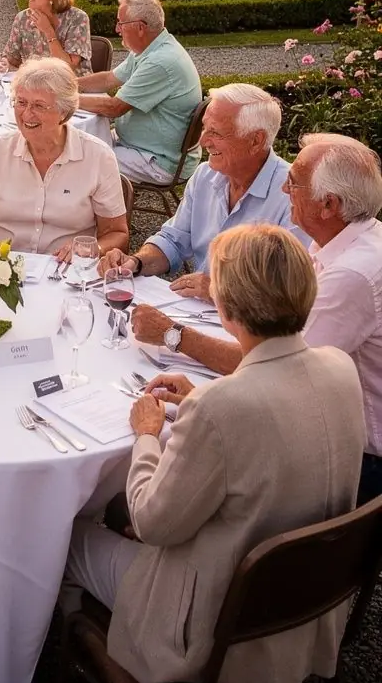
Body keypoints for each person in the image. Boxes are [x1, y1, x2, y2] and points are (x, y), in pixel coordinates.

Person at [63, 224, 364, 683]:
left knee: (63, 534)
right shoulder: (339, 368)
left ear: (226, 306)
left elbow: (153, 521)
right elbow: (275, 411)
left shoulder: (223, 408)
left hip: (211, 613)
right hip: (306, 594)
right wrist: (199, 393)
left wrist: (147, 435)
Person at [133, 135, 382, 503]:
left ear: (329, 204)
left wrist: (174, 336)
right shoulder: (345, 241)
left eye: (294, 182)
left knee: (187, 465)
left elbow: (279, 370)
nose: (284, 187)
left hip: (350, 459)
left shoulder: (351, 275)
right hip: (320, 422)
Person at [100, 83, 307, 299]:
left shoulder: (294, 196)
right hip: (199, 312)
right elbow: (173, 240)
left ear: (256, 141)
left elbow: (293, 289)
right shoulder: (205, 176)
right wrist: (136, 262)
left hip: (256, 324)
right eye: (204, 128)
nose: (202, 141)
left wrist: (222, 291)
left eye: (215, 132)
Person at [0, 57, 128, 259]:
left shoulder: (98, 157)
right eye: (21, 102)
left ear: (64, 112)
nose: (27, 114)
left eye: (39, 106)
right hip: (3, 271)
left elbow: (117, 234)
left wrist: (91, 250)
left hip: (66, 274)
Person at [77, 0, 202, 185]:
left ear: (140, 27)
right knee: (75, 143)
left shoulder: (160, 62)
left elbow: (114, 108)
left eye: (121, 23)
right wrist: (70, 84)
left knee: (78, 161)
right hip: (140, 147)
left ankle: (96, 213)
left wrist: (61, 98)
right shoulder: (151, 48)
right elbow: (110, 78)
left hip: (159, 160)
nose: (116, 29)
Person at [1, 0, 92, 76]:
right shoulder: (23, 18)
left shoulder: (77, 18)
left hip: (71, 87)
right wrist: (4, 63)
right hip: (35, 86)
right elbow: (11, 59)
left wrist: (48, 31)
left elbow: (69, 67)